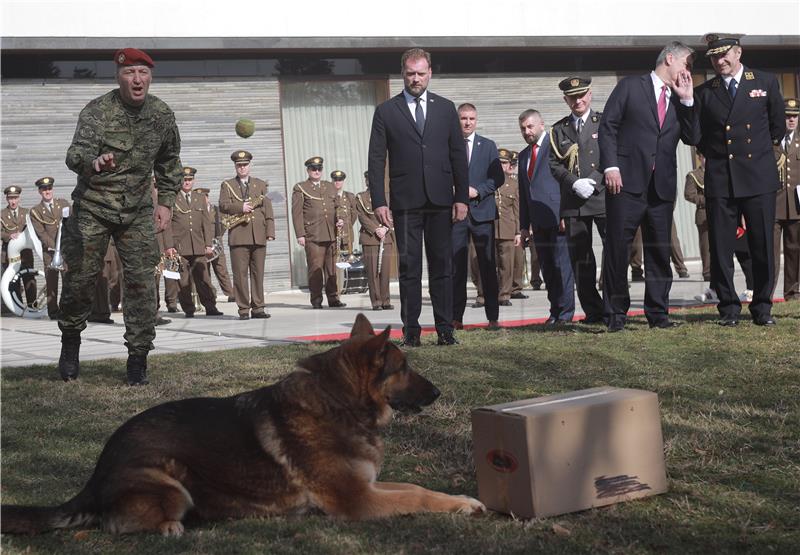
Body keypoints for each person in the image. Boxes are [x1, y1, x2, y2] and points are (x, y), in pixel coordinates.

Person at [58, 47, 182, 385]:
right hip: (94, 207)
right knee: (81, 280)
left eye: (143, 73)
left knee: (142, 283)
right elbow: (75, 154)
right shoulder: (98, 111)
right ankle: (70, 341)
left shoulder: (161, 114)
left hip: (137, 210)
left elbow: (170, 163)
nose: (137, 79)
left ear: (150, 77)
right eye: (130, 73)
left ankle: (137, 360)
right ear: (119, 75)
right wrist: (93, 163)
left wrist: (166, 203)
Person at [675, 33, 785, 326]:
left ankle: (762, 307)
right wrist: (686, 101)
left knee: (762, 246)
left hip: (758, 178)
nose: (719, 61)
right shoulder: (704, 92)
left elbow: (777, 128)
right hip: (722, 180)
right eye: (713, 57)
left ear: (738, 52)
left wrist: (762, 157)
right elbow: (692, 137)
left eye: (724, 55)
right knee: (721, 248)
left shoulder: (764, 81)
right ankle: (728, 309)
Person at [367, 48, 468, 346]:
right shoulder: (386, 111)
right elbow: (375, 160)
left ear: (430, 73)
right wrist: (379, 201)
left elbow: (458, 156)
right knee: (410, 268)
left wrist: (461, 196)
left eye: (421, 73)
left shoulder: (446, 108)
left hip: (440, 201)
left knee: (442, 267)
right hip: (405, 202)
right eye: (410, 73)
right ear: (403, 73)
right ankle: (411, 331)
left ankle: (445, 329)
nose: (416, 79)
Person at [598, 41, 695, 332]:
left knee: (658, 251)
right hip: (625, 183)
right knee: (618, 250)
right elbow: (608, 127)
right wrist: (611, 166)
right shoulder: (630, 86)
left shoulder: (682, 98)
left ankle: (658, 314)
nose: (688, 71)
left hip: (661, 187)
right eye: (686, 64)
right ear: (669, 59)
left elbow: (693, 137)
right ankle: (615, 315)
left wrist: (688, 101)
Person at [548, 76, 606, 324]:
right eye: (572, 97)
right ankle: (594, 311)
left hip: (602, 197)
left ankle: (614, 309)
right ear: (566, 100)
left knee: (613, 254)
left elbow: (612, 155)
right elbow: (553, 164)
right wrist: (574, 183)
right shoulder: (558, 129)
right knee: (582, 260)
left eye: (582, 95)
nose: (578, 100)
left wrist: (593, 180)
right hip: (573, 201)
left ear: (590, 95)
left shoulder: (603, 123)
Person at [517, 109, 575, 326]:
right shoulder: (523, 156)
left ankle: (566, 314)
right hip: (538, 222)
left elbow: (566, 183)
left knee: (563, 268)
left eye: (530, 126)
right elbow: (524, 193)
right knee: (548, 269)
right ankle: (555, 311)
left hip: (557, 217)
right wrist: (524, 226)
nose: (527, 131)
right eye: (523, 128)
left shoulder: (555, 148)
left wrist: (565, 213)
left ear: (542, 125)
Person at [452, 103, 503, 330]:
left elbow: (498, 177)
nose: (467, 122)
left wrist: (479, 190)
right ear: (457, 119)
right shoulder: (448, 145)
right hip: (456, 216)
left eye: (471, 118)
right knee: (457, 267)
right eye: (463, 118)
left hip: (482, 214)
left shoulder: (488, 146)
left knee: (487, 266)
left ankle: (493, 317)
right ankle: (456, 318)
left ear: (477, 120)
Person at [219, 151, 275, 319]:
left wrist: (270, 232)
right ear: (235, 166)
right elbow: (223, 205)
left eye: (245, 165)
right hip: (238, 236)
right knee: (240, 275)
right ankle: (243, 309)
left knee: (258, 274)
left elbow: (267, 208)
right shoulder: (227, 185)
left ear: (250, 166)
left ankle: (258, 308)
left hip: (258, 235)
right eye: (239, 165)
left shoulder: (260, 184)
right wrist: (240, 207)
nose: (242, 168)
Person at [163, 167, 222, 318]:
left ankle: (210, 307)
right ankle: (188, 309)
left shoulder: (200, 198)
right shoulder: (173, 198)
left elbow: (206, 224)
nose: (187, 182)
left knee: (203, 279)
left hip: (198, 245)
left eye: (189, 180)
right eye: (184, 179)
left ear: (193, 181)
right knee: (182, 281)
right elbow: (167, 224)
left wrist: (208, 244)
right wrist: (169, 246)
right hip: (179, 247)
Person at [291, 156, 345, 309]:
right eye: (313, 169)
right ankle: (316, 300)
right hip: (313, 235)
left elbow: (338, 206)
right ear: (308, 170)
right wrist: (300, 234)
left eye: (319, 168)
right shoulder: (300, 187)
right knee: (315, 268)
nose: (316, 171)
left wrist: (340, 218)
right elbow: (297, 213)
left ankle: (334, 298)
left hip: (330, 234)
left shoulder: (329, 186)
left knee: (331, 269)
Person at [29, 177, 70, 320]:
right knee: (52, 283)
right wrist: (55, 247)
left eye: (49, 188)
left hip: (65, 249)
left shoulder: (63, 204)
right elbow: (41, 233)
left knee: (68, 281)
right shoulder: (35, 211)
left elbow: (71, 224)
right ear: (40, 191)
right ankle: (53, 312)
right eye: (44, 189)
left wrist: (65, 244)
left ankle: (67, 309)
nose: (47, 191)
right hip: (50, 252)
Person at [773, 98, 799, 301]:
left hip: (797, 206)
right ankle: (767, 294)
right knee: (770, 254)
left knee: (794, 250)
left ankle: (792, 293)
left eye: (795, 116)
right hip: (773, 205)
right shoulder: (770, 139)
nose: (791, 120)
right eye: (788, 116)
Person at [356, 171, 394, 310]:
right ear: (366, 181)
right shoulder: (361, 197)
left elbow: (392, 213)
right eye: (368, 179)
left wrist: (385, 228)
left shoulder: (388, 196)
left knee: (385, 271)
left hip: (386, 236)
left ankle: (386, 300)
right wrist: (376, 229)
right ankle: (376, 301)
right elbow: (361, 216)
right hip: (370, 238)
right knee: (373, 272)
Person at [1, 185, 37, 313]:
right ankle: (18, 310)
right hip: (9, 256)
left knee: (30, 282)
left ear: (19, 198)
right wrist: (8, 235)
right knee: (14, 283)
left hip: (26, 255)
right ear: (7, 199)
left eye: (15, 198)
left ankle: (33, 308)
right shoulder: (2, 214)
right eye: (10, 198)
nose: (13, 201)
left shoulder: (27, 213)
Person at [493, 149, 522, 306]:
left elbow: (517, 211)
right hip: (490, 229)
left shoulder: (514, 184)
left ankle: (504, 295)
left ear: (509, 165)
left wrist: (518, 232)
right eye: (499, 163)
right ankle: (487, 294)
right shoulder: (488, 182)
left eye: (504, 163)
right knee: (490, 264)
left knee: (506, 265)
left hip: (507, 229)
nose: (501, 166)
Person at [202, 190, 236, 302]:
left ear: (208, 198)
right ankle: (210, 293)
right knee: (204, 272)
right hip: (202, 245)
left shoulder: (216, 210)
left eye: (205, 197)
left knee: (221, 269)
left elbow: (224, 224)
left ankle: (230, 293)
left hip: (216, 243)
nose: (203, 200)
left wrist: (218, 237)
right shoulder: (198, 211)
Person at [684, 154, 712, 282]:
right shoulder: (694, 175)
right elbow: (689, 194)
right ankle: (707, 272)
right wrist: (706, 200)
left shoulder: (717, 171)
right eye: (704, 156)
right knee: (706, 245)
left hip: (718, 213)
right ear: (700, 157)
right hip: (703, 213)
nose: (707, 159)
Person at [332, 170, 358, 261]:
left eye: (339, 180)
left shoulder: (349, 196)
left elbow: (354, 214)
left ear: (343, 181)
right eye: (335, 180)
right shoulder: (329, 196)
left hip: (347, 234)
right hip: (333, 233)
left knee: (348, 260)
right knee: (334, 259)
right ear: (332, 181)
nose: (337, 182)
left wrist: (347, 224)